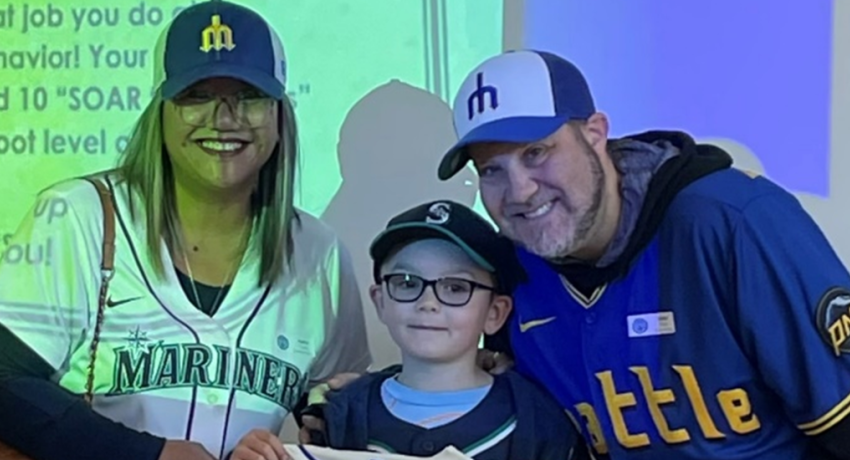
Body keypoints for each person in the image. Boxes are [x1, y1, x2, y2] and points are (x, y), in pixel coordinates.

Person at [432, 50, 850, 459]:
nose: (520, 191)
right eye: (491, 170)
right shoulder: (512, 271)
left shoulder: (733, 222)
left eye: (536, 153)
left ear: (595, 133)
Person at [0, 2, 370, 460]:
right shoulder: (79, 215)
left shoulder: (320, 255)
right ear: (161, 111)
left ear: (279, 115)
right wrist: (147, 454)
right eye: (197, 94)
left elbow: (325, 413)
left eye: (248, 95)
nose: (224, 117)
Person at [296, 199, 585, 460]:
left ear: (495, 313)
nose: (428, 302)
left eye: (456, 287)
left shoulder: (537, 421)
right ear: (380, 300)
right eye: (408, 282)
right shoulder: (340, 415)